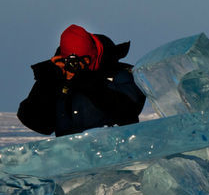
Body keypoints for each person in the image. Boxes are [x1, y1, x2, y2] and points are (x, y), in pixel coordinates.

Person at [18, 24, 146, 136]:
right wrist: (47, 82)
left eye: (83, 60)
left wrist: (84, 81)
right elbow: (37, 124)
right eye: (72, 61)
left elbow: (128, 114)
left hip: (115, 155)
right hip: (72, 157)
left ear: (94, 54)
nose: (77, 66)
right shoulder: (58, 79)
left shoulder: (119, 74)